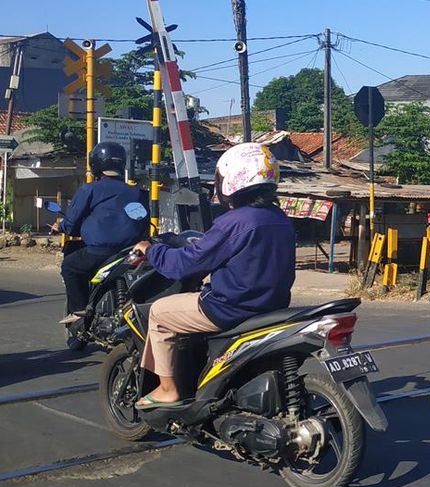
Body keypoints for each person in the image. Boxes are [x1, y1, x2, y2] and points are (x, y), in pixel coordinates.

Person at [133, 143, 296, 410]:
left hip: (229, 308)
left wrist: (153, 251)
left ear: (231, 180)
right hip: (272, 307)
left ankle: (168, 389)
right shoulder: (279, 219)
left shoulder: (234, 222)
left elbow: (185, 265)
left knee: (160, 313)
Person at [52, 142, 149, 325]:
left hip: (99, 252)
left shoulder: (90, 189)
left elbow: (72, 223)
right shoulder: (136, 192)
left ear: (95, 163)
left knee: (70, 267)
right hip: (132, 252)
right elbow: (143, 221)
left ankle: (79, 310)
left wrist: (62, 227)